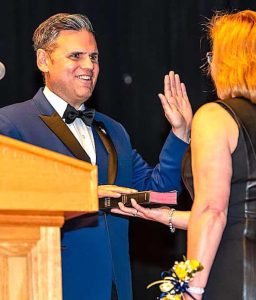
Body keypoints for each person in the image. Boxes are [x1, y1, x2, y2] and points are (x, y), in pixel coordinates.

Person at [0, 13, 193, 300]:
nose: (89, 66)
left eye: (94, 57)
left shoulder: (112, 130)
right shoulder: (10, 123)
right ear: (43, 61)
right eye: (76, 56)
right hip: (49, 286)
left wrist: (179, 133)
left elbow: (157, 193)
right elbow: (10, 200)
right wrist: (85, 194)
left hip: (117, 289)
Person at [112, 10, 256, 299]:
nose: (209, 65)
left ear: (231, 60)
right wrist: (167, 216)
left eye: (213, 56)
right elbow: (244, 213)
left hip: (234, 272)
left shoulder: (215, 115)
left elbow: (213, 211)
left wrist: (189, 286)